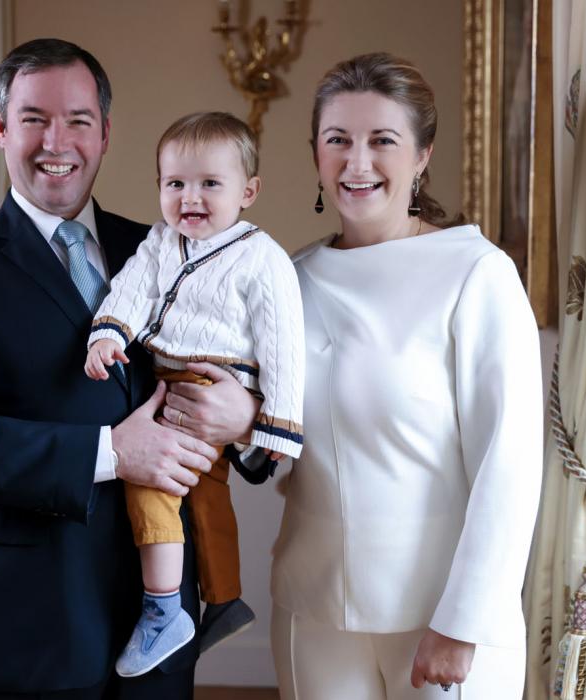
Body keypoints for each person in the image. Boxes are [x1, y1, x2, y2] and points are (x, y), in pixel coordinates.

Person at [173, 52, 544, 698]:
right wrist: (242, 425)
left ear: (423, 154)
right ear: (316, 152)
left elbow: (508, 466)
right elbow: (276, 452)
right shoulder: (288, 279)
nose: (357, 162)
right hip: (313, 611)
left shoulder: (474, 274)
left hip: (440, 615)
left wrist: (465, 621)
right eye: (337, 140)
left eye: (383, 141)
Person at [0, 38, 259, 700]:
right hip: (22, 624)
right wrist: (109, 453)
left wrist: (245, 416)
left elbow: (230, 369)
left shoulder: (168, 248)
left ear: (105, 133)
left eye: (79, 120)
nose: (58, 141)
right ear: (0, 127)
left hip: (159, 616)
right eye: (34, 119)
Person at [84, 111, 304, 677]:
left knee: (151, 481)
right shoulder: (162, 241)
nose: (190, 197)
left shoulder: (262, 256)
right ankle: (225, 597)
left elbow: (283, 343)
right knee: (204, 496)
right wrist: (109, 330)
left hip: (215, 379)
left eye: (211, 183)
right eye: (175, 183)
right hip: (164, 375)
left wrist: (276, 423)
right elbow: (130, 288)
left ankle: (163, 610)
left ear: (248, 191)